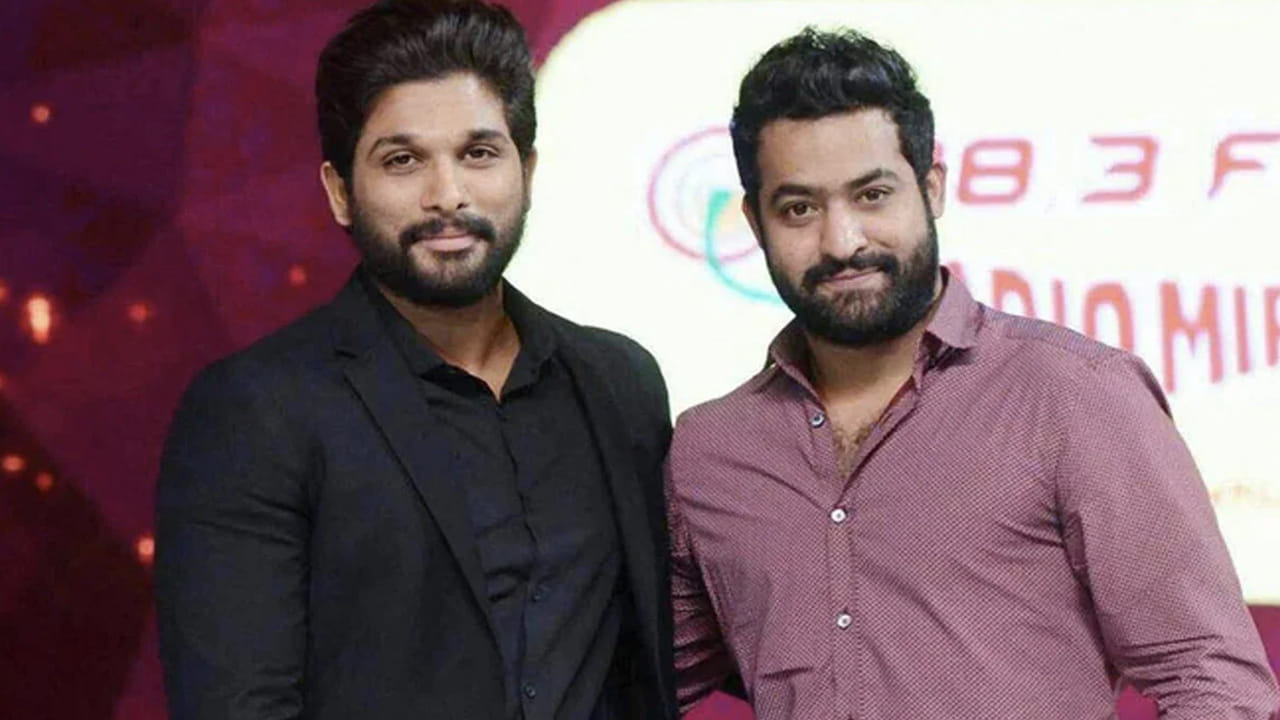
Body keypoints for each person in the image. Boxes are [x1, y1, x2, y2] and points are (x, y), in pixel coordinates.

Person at [665, 26, 1280, 720]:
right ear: (755, 221)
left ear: (931, 188)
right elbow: (622, 679)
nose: (842, 241)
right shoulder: (711, 453)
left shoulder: (1072, 395)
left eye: (872, 195)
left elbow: (1215, 682)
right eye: (800, 208)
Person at [154, 2, 675, 718]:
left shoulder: (620, 383)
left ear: (526, 171)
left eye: (479, 153)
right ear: (341, 191)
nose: (447, 196)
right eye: (403, 161)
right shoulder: (255, 412)